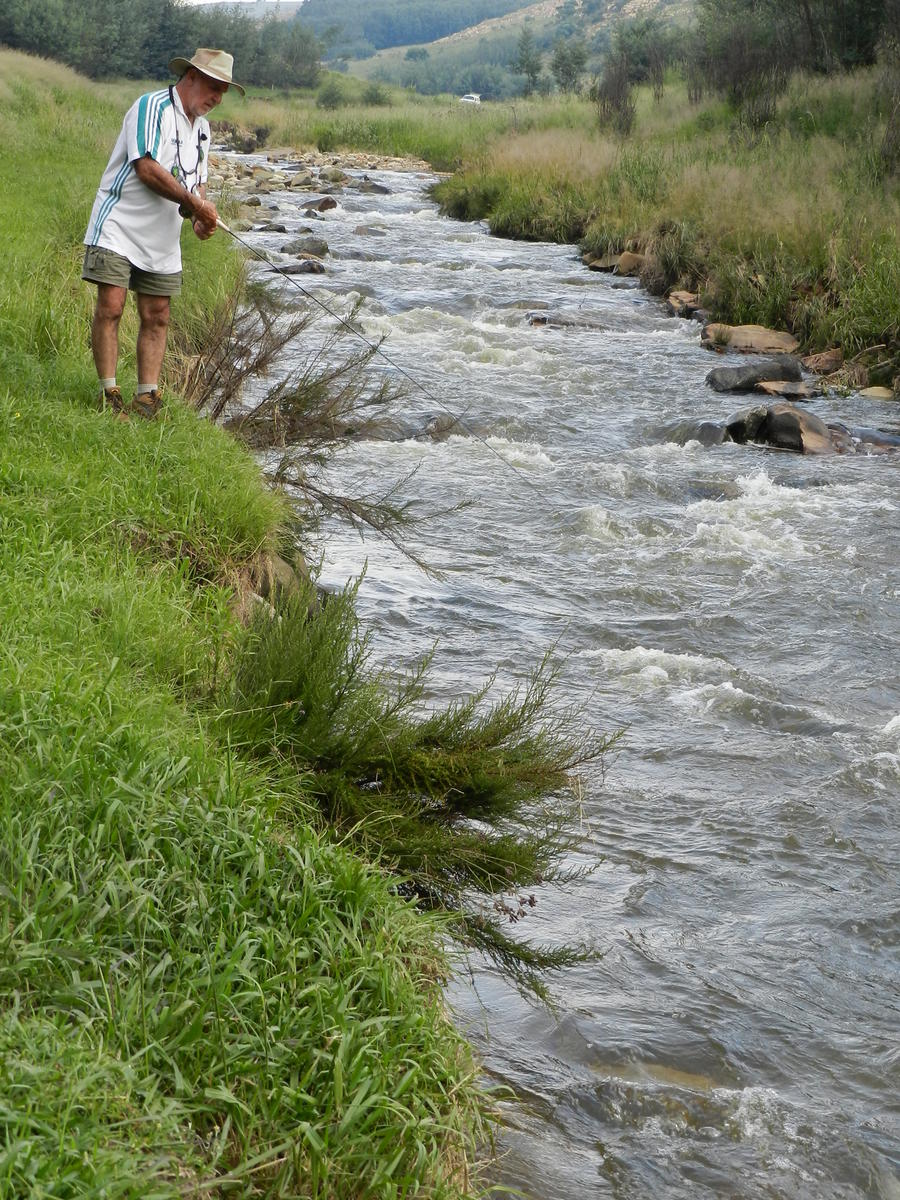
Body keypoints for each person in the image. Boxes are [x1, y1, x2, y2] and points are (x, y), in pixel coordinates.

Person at [82, 48, 245, 419]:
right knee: (111, 306)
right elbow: (146, 168)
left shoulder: (203, 129)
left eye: (223, 90)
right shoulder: (150, 106)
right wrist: (195, 203)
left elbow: (197, 184)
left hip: (161, 236)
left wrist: (199, 217)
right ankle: (110, 396)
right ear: (190, 77)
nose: (218, 97)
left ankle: (147, 400)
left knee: (157, 314)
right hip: (118, 224)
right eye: (213, 86)